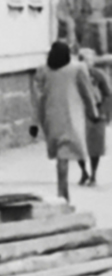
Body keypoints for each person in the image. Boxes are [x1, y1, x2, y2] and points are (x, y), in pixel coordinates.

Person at [31, 40, 102, 204]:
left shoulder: (43, 70)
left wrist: (35, 122)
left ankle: (62, 193)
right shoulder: (77, 68)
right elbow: (86, 92)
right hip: (71, 117)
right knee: (65, 154)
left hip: (51, 119)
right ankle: (63, 195)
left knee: (61, 156)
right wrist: (93, 112)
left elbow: (38, 98)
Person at [78, 47, 109, 187]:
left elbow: (108, 94)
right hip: (79, 113)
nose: (86, 63)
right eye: (83, 59)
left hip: (97, 113)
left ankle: (93, 175)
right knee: (78, 145)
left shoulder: (98, 75)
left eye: (89, 60)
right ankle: (84, 171)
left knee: (95, 146)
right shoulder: (75, 75)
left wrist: (103, 112)